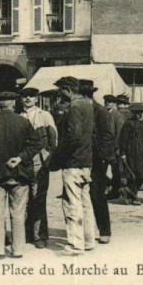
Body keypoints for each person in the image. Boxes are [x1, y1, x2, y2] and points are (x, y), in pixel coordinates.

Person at [0, 92, 42, 258]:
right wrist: (20, 158)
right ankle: (17, 249)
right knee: (18, 214)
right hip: (19, 174)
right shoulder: (24, 122)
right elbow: (36, 144)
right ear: (14, 103)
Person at [49, 77, 97, 256]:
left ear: (68, 90)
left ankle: (76, 245)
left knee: (72, 203)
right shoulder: (88, 105)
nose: (60, 94)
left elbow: (73, 136)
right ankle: (88, 240)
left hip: (73, 163)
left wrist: (58, 156)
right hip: (86, 161)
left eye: (61, 91)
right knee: (86, 203)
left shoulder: (74, 108)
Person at [19, 87, 58, 249]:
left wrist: (48, 156)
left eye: (31, 96)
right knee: (23, 197)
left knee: (39, 198)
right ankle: (25, 234)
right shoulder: (18, 116)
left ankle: (40, 235)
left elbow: (53, 138)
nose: (28, 98)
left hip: (40, 161)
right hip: (22, 161)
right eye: (25, 96)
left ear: (36, 99)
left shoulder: (45, 116)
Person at [80, 80, 115, 244]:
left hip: (95, 159)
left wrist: (103, 158)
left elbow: (108, 137)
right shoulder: (78, 109)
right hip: (80, 158)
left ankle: (104, 230)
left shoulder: (100, 111)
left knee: (97, 195)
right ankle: (85, 231)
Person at [118, 103, 143, 205]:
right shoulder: (128, 123)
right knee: (132, 174)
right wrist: (123, 153)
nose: (138, 115)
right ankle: (134, 196)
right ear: (132, 113)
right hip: (131, 152)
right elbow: (122, 139)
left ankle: (128, 191)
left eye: (140, 113)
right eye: (135, 113)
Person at [104, 95, 125, 200]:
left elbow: (119, 133)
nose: (108, 103)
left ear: (114, 104)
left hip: (113, 148)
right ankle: (102, 190)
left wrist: (116, 147)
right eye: (106, 101)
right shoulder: (101, 114)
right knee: (101, 170)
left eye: (110, 102)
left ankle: (115, 191)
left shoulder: (117, 116)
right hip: (103, 147)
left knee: (115, 170)